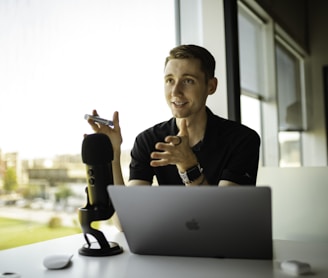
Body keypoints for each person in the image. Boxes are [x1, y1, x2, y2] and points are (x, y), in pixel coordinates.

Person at [87, 44, 260, 187]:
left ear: (211, 86)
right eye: (170, 80)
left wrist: (188, 166)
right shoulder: (148, 141)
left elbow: (223, 216)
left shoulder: (243, 140)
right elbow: (125, 220)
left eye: (188, 81)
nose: (175, 92)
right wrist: (114, 152)